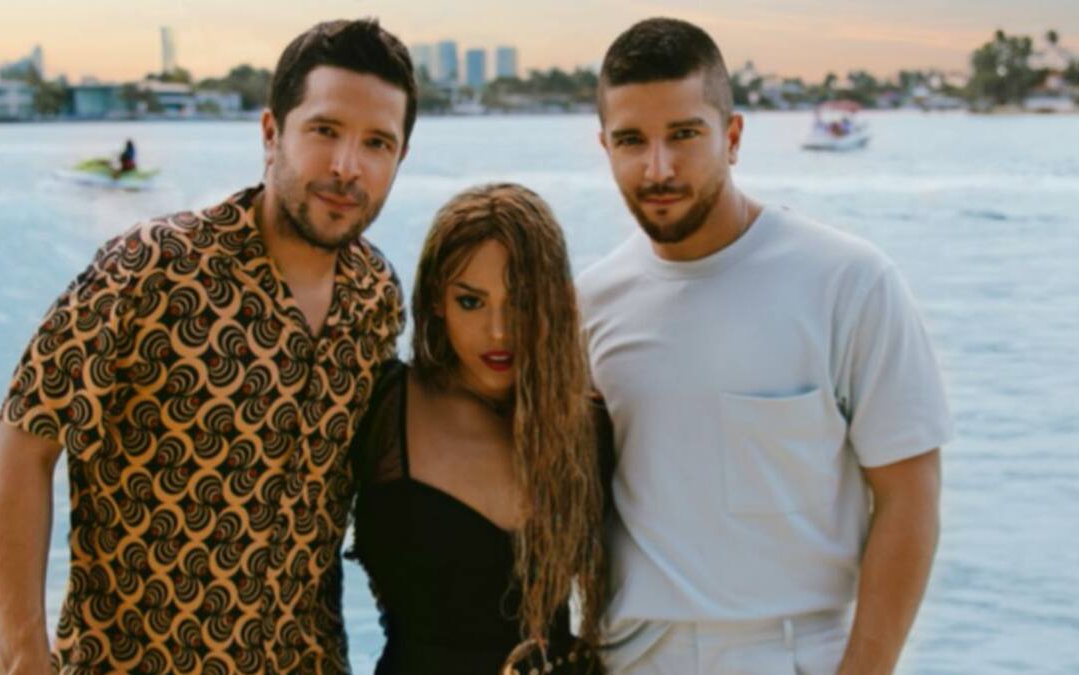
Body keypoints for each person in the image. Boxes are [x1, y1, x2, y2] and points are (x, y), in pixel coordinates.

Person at [0, 19, 416, 674]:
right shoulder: (156, 266)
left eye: (376, 143)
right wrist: (21, 657)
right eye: (325, 130)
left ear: (399, 158)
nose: (346, 166)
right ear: (271, 134)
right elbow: (22, 443)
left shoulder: (375, 296)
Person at [578, 18, 952, 674]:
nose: (658, 167)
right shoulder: (590, 303)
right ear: (604, 145)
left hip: (796, 652)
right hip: (630, 654)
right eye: (632, 140)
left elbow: (910, 495)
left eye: (684, 134)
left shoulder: (849, 282)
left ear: (732, 136)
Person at [348, 183, 609, 674]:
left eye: (522, 302)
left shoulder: (590, 428)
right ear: (436, 301)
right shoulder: (384, 408)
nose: (499, 331)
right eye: (471, 302)